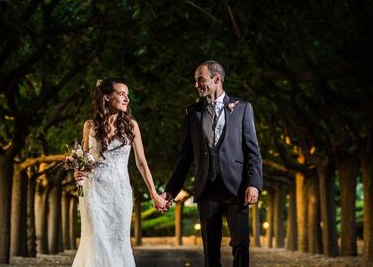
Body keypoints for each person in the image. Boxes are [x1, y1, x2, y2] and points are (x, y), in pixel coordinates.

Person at [160, 60, 263, 267]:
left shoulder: (242, 108)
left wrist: (254, 184)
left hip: (237, 189)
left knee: (241, 244)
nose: (196, 85)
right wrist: (171, 190)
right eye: (195, 81)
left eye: (200, 80)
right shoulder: (192, 113)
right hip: (206, 189)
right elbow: (184, 157)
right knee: (210, 250)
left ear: (216, 79)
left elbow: (253, 151)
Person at [72, 77, 167, 267]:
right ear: (107, 97)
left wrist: (154, 194)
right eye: (122, 94)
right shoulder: (89, 126)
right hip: (93, 191)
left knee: (117, 242)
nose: (127, 99)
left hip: (119, 192)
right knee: (95, 240)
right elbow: (83, 157)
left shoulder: (131, 126)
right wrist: (77, 171)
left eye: (127, 95)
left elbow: (141, 162)